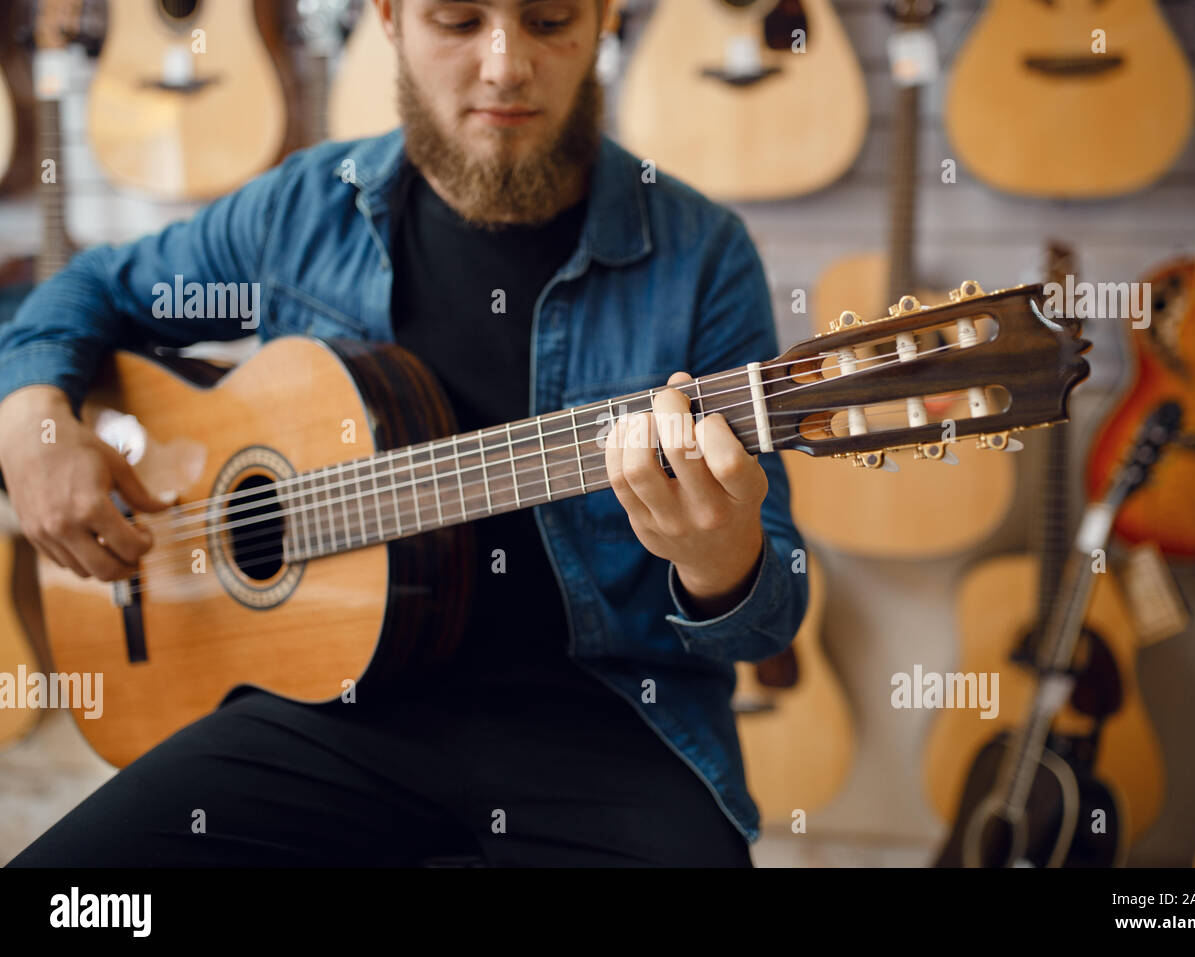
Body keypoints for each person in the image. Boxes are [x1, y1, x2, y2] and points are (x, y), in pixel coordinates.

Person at [0, 0, 807, 867]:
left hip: (608, 725)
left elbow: (765, 618)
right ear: (387, 18)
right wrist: (31, 414)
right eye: (459, 21)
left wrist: (719, 560)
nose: (505, 64)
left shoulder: (700, 254)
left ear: (604, 20)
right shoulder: (303, 208)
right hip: (319, 713)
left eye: (548, 20)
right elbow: (87, 288)